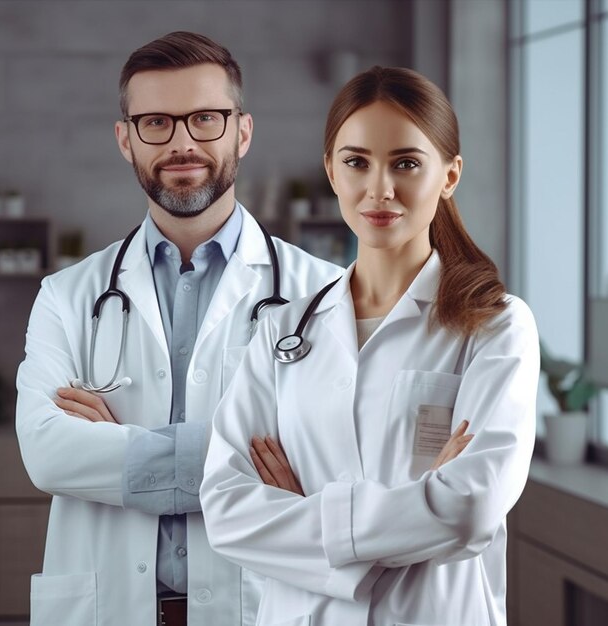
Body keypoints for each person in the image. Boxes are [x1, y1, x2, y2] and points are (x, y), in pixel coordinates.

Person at [15, 31, 341, 626]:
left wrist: (124, 445)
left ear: (242, 130)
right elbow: (47, 453)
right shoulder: (67, 297)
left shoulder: (325, 293)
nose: (183, 142)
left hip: (262, 608)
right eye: (156, 123)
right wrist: (250, 454)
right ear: (126, 139)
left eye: (206, 119)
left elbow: (336, 456)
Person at [200, 66, 540, 626]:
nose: (379, 188)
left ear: (449, 176)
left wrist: (304, 514)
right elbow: (227, 511)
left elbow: (471, 509)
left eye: (406, 163)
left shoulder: (496, 327)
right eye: (357, 162)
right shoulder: (283, 331)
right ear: (331, 171)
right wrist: (418, 507)